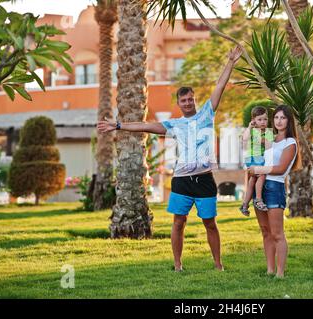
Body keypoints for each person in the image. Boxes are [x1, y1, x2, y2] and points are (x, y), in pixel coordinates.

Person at [97, 45, 243, 272]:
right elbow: (145, 125)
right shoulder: (174, 125)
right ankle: (177, 265)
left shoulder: (207, 113)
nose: (188, 103)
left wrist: (231, 62)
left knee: (210, 224)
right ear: (178, 103)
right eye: (183, 101)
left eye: (190, 99)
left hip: (204, 179)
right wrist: (118, 125)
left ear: (195, 100)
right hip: (182, 180)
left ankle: (218, 264)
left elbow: (219, 86)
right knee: (178, 223)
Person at [247, 105, 302, 278]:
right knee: (265, 231)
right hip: (260, 187)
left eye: (283, 118)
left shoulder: (290, 142)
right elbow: (252, 151)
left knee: (277, 233)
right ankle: (270, 270)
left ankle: (280, 273)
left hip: (274, 187)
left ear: (289, 120)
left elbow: (280, 169)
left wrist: (258, 170)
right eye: (276, 117)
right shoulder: (270, 138)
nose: (279, 121)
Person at [240, 106, 274, 216]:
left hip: (261, 158)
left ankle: (245, 204)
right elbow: (244, 139)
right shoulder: (252, 131)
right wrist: (249, 127)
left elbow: (269, 146)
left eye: (265, 119)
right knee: (262, 175)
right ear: (253, 120)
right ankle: (258, 199)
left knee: (253, 180)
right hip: (253, 158)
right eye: (259, 119)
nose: (263, 122)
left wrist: (261, 139)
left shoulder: (268, 132)